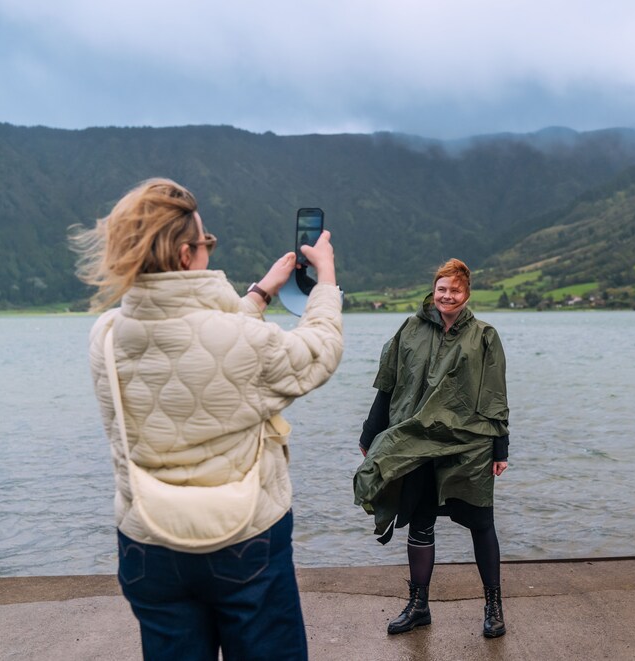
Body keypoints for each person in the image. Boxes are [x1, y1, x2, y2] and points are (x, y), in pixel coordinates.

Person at [70, 178, 343, 660]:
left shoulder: (106, 337)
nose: (207, 251)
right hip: (245, 541)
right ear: (183, 255)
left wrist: (258, 294)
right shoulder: (244, 341)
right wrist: (324, 279)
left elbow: (193, 341)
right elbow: (318, 351)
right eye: (205, 243)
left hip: (146, 545)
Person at [353, 258, 510, 638]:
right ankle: (418, 605)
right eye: (442, 289)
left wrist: (500, 449)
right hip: (415, 440)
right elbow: (388, 384)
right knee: (420, 519)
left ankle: (493, 606)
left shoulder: (485, 335)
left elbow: (495, 393)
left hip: (468, 442)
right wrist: (371, 435)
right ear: (433, 290)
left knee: (480, 522)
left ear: (467, 294)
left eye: (455, 290)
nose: (447, 295)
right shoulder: (410, 329)